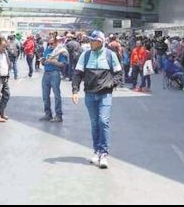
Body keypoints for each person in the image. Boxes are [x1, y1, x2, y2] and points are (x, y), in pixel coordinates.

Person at [72, 31, 123, 170]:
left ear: (100, 42)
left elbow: (119, 73)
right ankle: (97, 151)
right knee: (95, 124)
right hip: (90, 94)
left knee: (103, 121)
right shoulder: (85, 55)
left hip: (105, 95)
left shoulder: (110, 55)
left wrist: (110, 84)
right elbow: (77, 73)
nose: (90, 43)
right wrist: (75, 91)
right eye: (90, 40)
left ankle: (104, 154)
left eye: (93, 41)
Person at [40, 37, 68, 123]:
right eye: (49, 43)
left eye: (52, 43)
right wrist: (43, 61)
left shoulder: (61, 51)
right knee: (45, 95)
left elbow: (63, 64)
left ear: (56, 43)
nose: (50, 45)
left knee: (56, 95)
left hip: (55, 73)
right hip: (46, 73)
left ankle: (58, 115)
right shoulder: (48, 50)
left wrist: (53, 62)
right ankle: (48, 114)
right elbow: (44, 61)